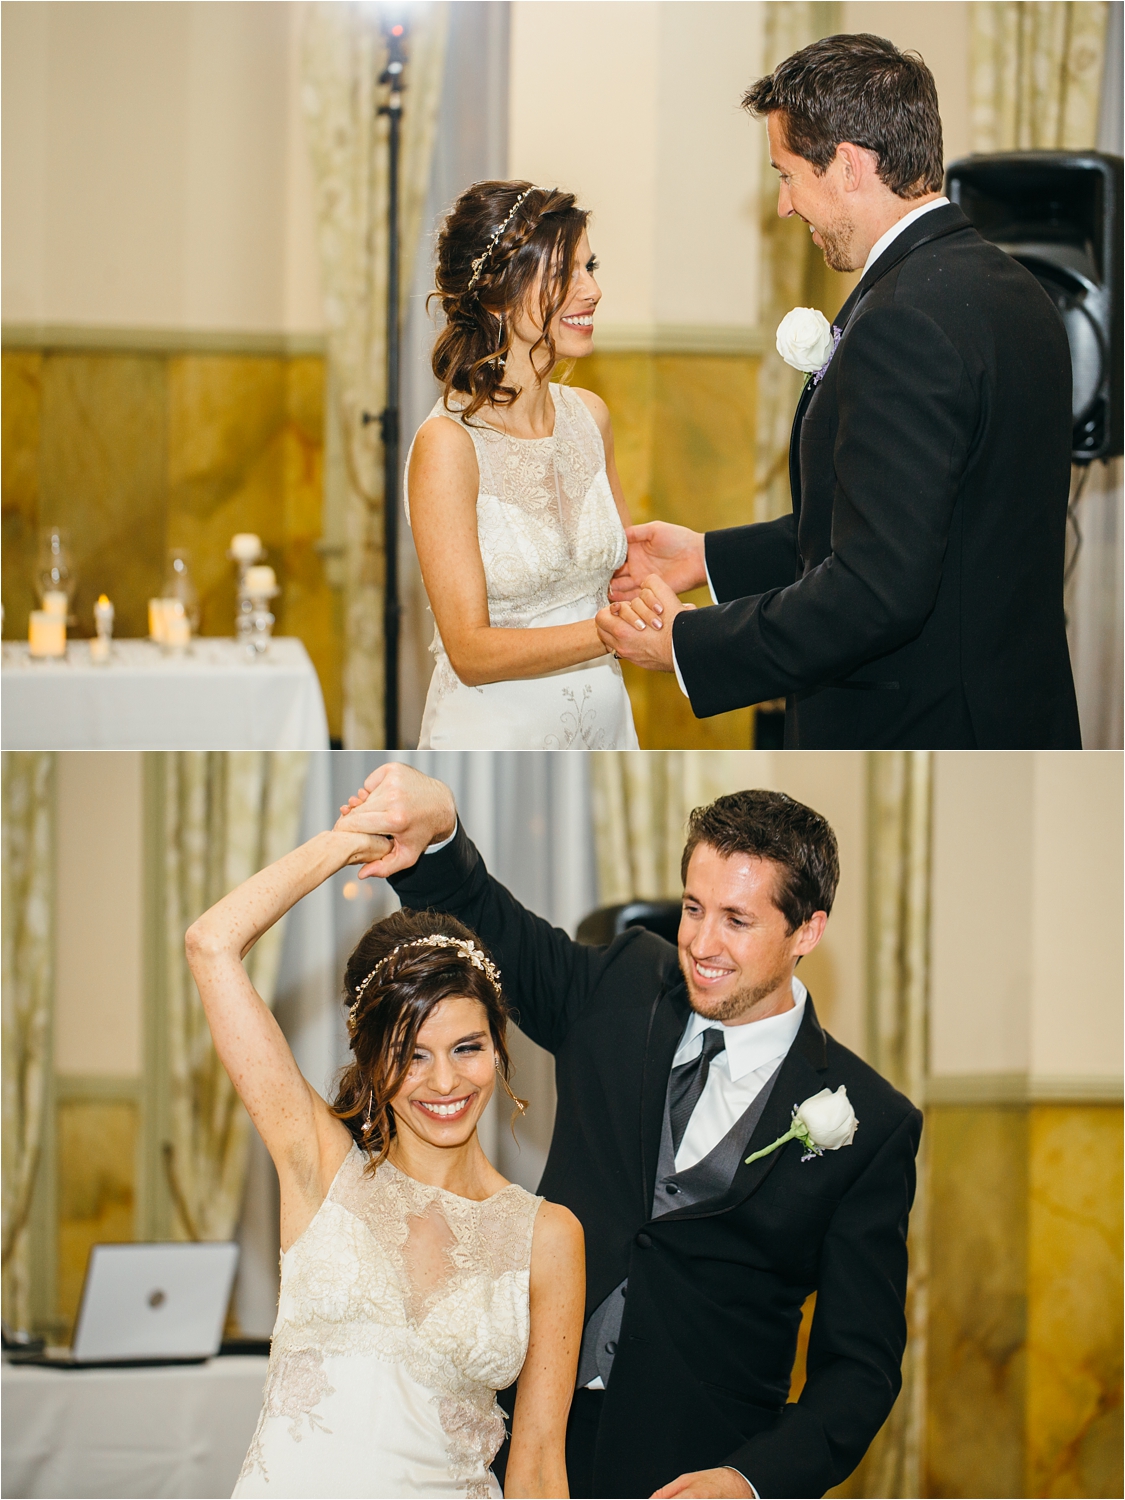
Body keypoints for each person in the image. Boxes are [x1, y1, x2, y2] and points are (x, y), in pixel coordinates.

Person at [335, 763, 923, 1500]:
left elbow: (859, 1371)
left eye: (736, 921)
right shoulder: (622, 984)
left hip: (690, 1466)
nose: (702, 943)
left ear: (807, 930)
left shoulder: (872, 1123)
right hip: (516, 1437)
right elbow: (495, 924)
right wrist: (439, 833)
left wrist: (748, 1481)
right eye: (692, 908)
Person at [598, 33, 1081, 751]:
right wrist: (707, 557)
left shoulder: (902, 318)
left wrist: (687, 642)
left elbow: (876, 587)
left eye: (788, 175)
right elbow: (922, 522)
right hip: (1010, 710)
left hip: (918, 724)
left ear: (849, 166)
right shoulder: (1014, 290)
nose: (786, 206)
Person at [184, 822, 584, 1499]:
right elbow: (211, 945)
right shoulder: (319, 1167)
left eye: (466, 1047)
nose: (445, 1083)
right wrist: (345, 843)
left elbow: (540, 1463)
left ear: (498, 1046)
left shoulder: (547, 1236)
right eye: (410, 1054)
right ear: (371, 1061)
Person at [406, 179, 639, 749]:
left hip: (605, 732)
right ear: (496, 294)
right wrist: (609, 634)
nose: (594, 290)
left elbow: (623, 579)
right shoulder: (448, 445)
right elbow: (470, 651)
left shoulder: (592, 417)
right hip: (494, 738)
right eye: (567, 273)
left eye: (591, 266)